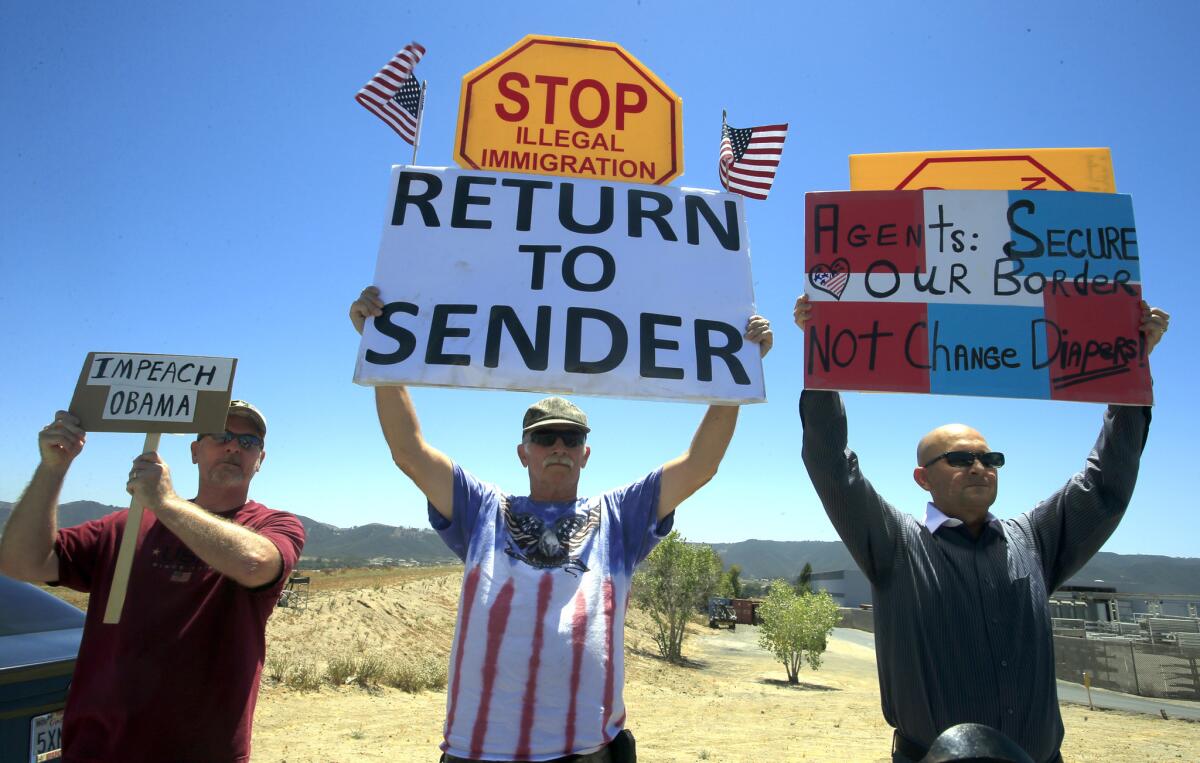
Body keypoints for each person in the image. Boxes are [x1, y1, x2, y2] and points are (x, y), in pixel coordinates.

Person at [350, 285, 772, 763]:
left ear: (585, 454)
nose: (558, 447)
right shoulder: (481, 508)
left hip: (585, 752)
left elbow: (699, 465)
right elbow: (409, 451)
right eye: (545, 437)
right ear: (523, 451)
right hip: (478, 751)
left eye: (570, 438)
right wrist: (380, 348)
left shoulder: (619, 515)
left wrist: (740, 371)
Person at [792, 294, 1169, 763]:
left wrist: (1131, 370)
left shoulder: (1033, 539)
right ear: (923, 478)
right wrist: (822, 352)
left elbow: (1105, 485)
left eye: (989, 459)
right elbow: (830, 462)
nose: (979, 467)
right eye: (960, 458)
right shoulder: (895, 544)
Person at [0, 400, 306, 763]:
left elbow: (255, 563)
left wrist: (165, 502)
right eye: (220, 436)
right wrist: (53, 468)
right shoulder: (125, 527)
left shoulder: (273, 526)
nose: (233, 446)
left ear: (260, 459)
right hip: (97, 749)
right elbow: (21, 563)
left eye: (248, 441)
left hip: (203, 751)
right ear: (195, 451)